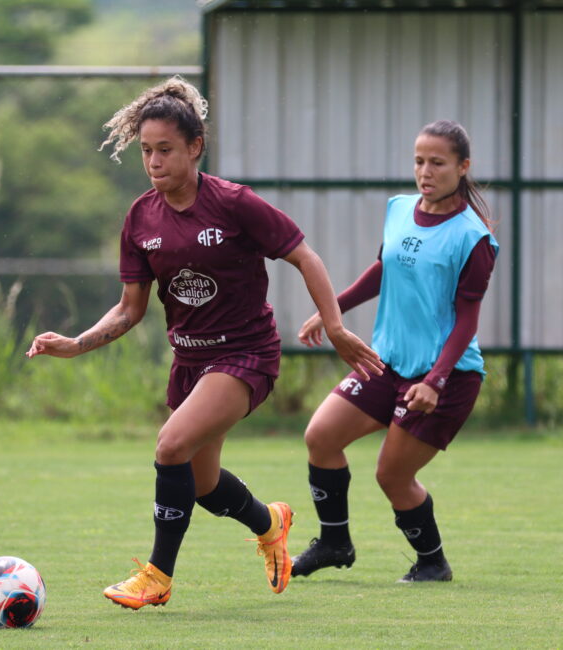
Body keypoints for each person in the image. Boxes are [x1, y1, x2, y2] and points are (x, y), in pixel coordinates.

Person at [26, 76, 383, 609]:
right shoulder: (140, 218)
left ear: (196, 147)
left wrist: (334, 327)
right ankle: (270, 523)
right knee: (201, 481)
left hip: (245, 355)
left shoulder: (234, 204)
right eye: (146, 151)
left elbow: (304, 256)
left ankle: (157, 577)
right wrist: (77, 344)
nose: (153, 161)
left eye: (165, 149)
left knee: (170, 446)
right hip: (189, 361)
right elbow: (130, 309)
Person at [289, 120, 498, 583]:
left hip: (446, 377)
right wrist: (332, 311)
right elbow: (384, 270)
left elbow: (467, 320)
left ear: (463, 167)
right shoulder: (400, 209)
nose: (426, 171)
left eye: (438, 163)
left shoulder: (473, 238)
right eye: (419, 161)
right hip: (386, 362)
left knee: (392, 477)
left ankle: (432, 562)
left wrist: (435, 382)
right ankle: (334, 541)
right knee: (321, 437)